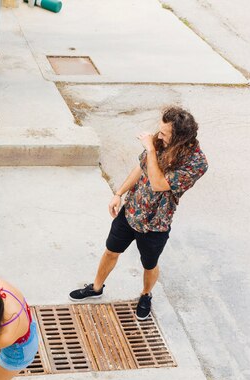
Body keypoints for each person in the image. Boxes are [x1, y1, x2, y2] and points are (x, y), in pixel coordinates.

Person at [69, 106, 208, 320]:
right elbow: (140, 168)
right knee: (110, 251)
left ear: (179, 139)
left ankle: (145, 295)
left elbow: (158, 183)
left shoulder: (196, 163)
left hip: (156, 223)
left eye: (164, 133)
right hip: (131, 210)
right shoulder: (159, 140)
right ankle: (96, 288)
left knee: (149, 264)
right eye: (159, 131)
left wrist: (152, 150)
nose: (157, 135)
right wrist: (119, 193)